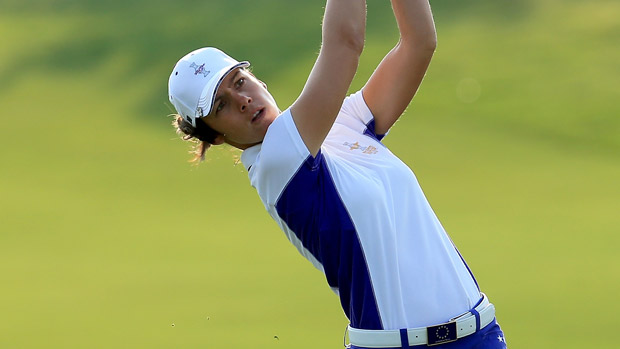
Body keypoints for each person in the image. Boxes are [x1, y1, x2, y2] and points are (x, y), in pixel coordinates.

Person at [167, 0, 507, 348]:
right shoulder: (276, 162)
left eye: (239, 81)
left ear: (259, 80)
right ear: (215, 135)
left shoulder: (343, 123)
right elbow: (345, 43)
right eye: (221, 105)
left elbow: (418, 42)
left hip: (480, 334)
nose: (241, 100)